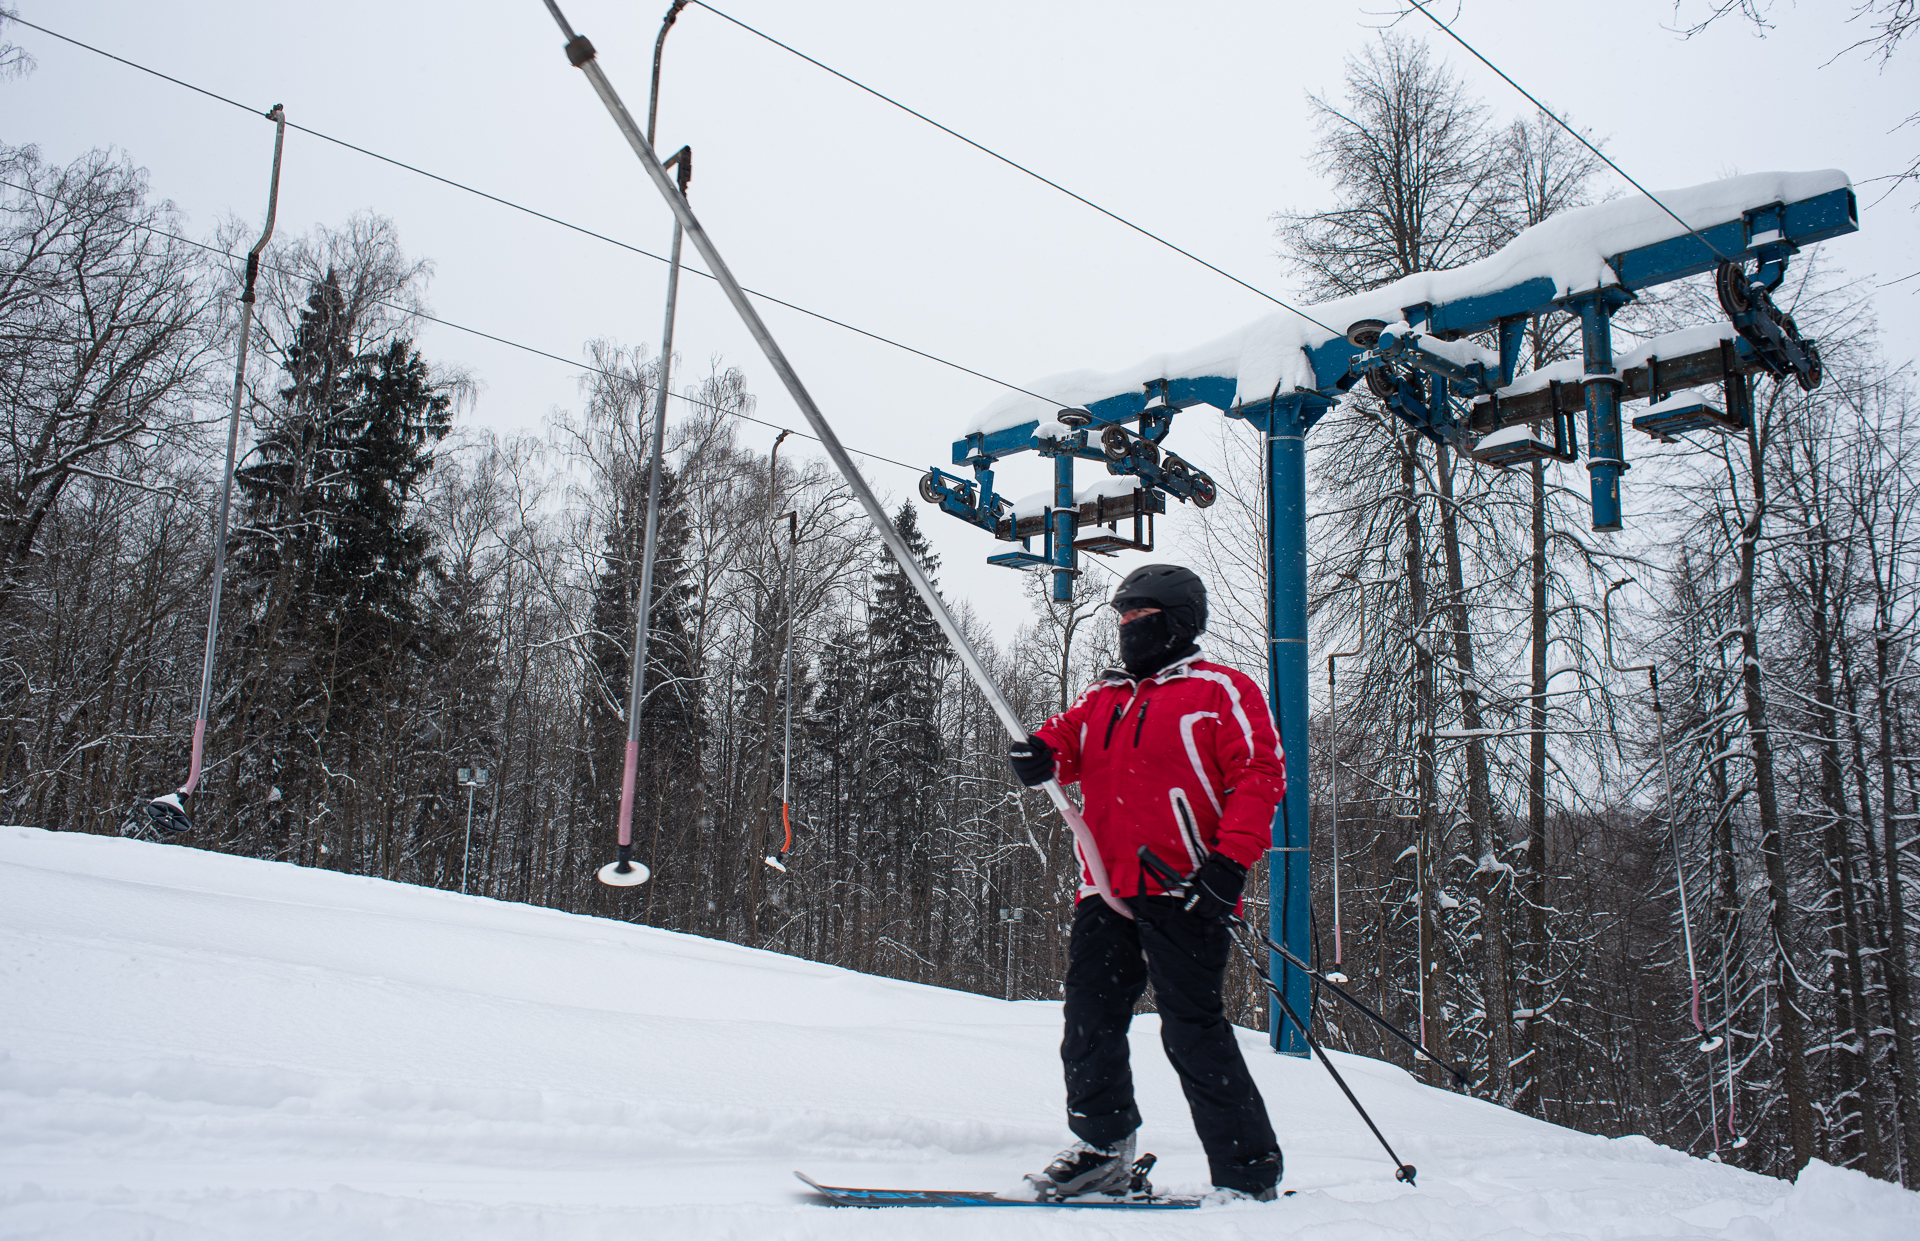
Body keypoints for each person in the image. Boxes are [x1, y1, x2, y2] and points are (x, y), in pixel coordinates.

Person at [1007, 563, 1286, 1204]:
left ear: (1179, 620)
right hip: (1107, 887)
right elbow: (1066, 740)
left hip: (1185, 886)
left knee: (1191, 1029)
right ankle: (1102, 1150)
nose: (1128, 627)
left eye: (1141, 616)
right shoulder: (1105, 696)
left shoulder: (1222, 691)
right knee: (1088, 1019)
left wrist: (1227, 865)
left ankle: (1248, 1172)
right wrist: (1040, 753)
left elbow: (1259, 776)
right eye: (1123, 617)